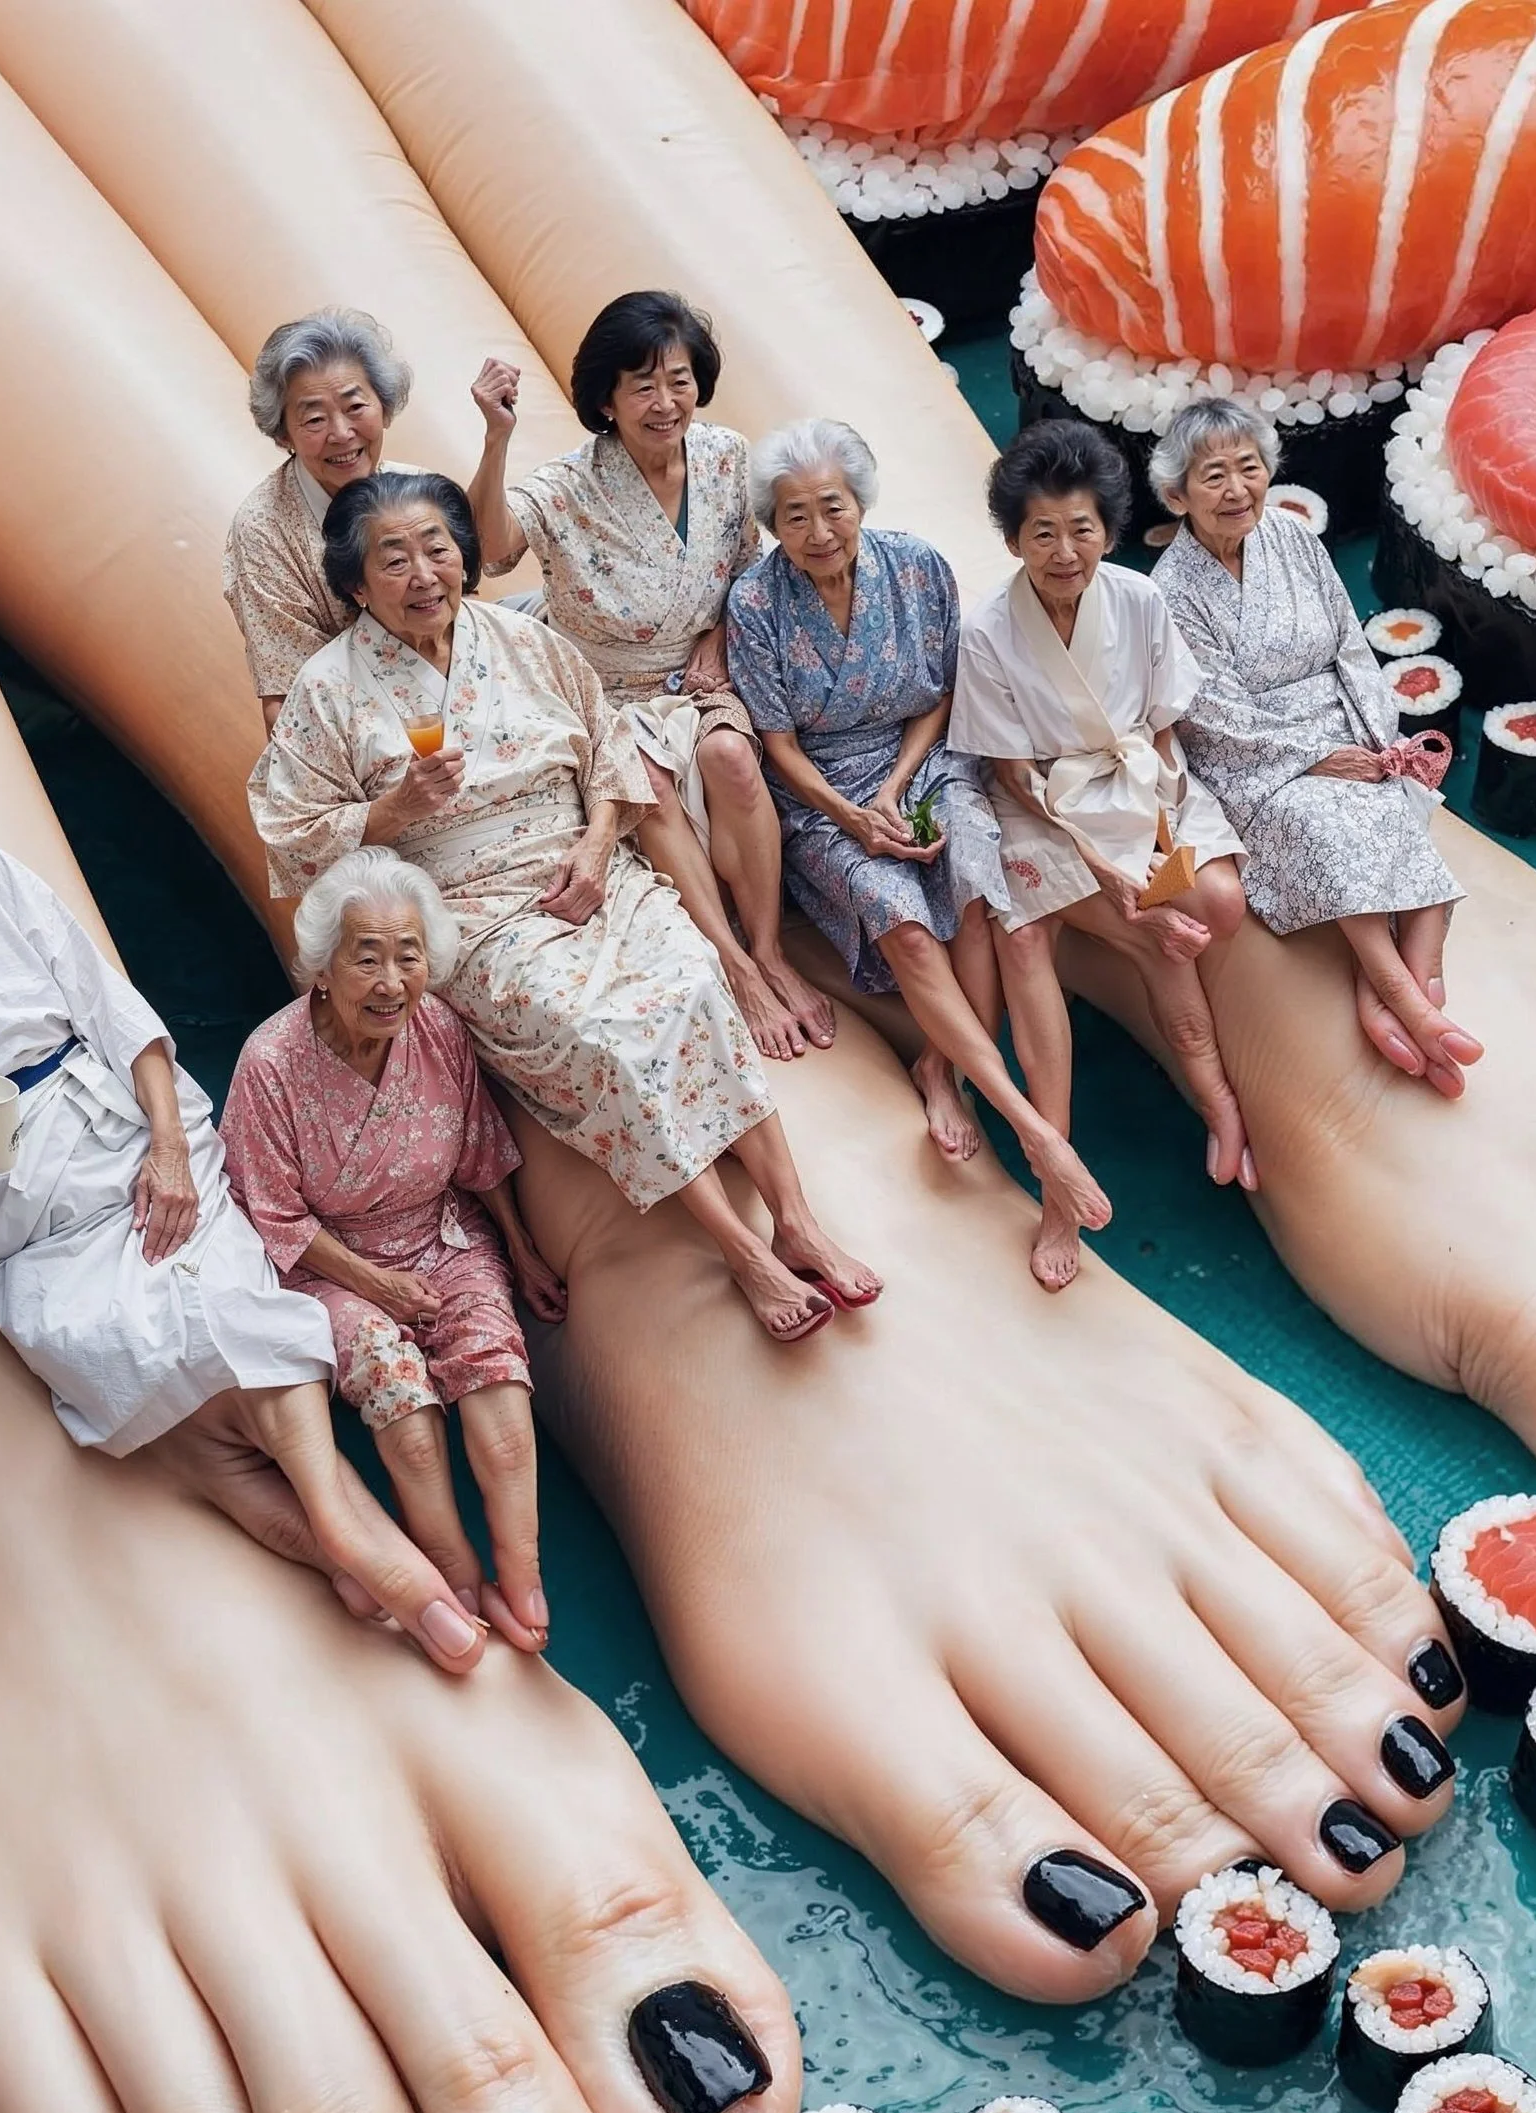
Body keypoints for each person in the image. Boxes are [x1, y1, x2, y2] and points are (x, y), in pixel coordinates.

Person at [0, 715, 493, 1670]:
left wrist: (169, 1150)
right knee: (114, 1343)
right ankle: (357, 1549)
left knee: (226, 1303)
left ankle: (345, 1535)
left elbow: (115, 1012)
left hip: (117, 1144)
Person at [251, 468, 877, 1341]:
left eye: (437, 548)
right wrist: (392, 811)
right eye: (393, 560)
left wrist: (597, 843)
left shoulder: (521, 640)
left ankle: (797, 1220)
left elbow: (608, 747)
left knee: (694, 979)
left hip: (585, 864)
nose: (423, 573)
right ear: (357, 586)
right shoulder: (327, 688)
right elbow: (290, 835)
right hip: (467, 907)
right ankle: (743, 1251)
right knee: (601, 1033)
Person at [726, 417, 1115, 1272]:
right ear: (773, 524)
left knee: (982, 898)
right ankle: (1036, 1133)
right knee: (904, 923)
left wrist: (896, 788)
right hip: (823, 797)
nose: (818, 531)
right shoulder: (754, 604)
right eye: (795, 515)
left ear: (860, 503)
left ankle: (943, 1069)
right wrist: (854, 814)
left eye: (832, 507)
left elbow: (941, 696)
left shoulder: (918, 565)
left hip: (925, 761)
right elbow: (778, 746)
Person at [478, 289, 837, 1062]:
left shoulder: (726, 456)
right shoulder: (570, 484)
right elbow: (494, 552)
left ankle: (770, 948)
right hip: (605, 685)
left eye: (679, 380)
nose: (666, 402)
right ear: (606, 401)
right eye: (643, 385)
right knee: (647, 781)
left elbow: (750, 568)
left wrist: (719, 634)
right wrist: (497, 438)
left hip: (700, 674)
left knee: (732, 757)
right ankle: (736, 968)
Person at [222, 849, 565, 1651]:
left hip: (443, 1237)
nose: (390, 981)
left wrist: (520, 1252)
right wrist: (377, 1285)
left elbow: (478, 1151)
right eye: (366, 957)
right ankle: (452, 1571)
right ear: (323, 967)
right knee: (402, 1404)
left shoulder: (436, 1027)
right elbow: (275, 1218)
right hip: (331, 1265)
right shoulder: (270, 1064)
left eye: (408, 956)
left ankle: (524, 1579)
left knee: (499, 1393)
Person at [950, 418, 1254, 1289]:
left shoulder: (1139, 601)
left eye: (1080, 529)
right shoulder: (989, 631)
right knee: (1023, 938)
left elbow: (1160, 731)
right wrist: (1102, 866)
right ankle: (1059, 1179)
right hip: (1045, 807)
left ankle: (1217, 1099)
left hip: (1138, 786)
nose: (1063, 551)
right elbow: (1010, 774)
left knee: (1216, 905)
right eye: (1041, 532)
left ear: (1109, 530)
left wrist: (1158, 834)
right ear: (1014, 539)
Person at [1150, 398, 1480, 1099]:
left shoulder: (1294, 538)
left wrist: (1375, 741)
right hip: (1255, 756)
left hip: (1346, 721)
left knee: (1395, 799)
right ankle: (1404, 993)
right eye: (1214, 476)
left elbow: (1350, 645)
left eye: (1249, 467)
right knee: (1322, 821)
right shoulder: (1170, 590)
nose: (1237, 489)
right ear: (1178, 495)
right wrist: (1314, 758)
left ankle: (1410, 994)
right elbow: (1209, 710)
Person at [222, 307, 526, 730]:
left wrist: (496, 437)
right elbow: (286, 698)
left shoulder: (411, 487)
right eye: (314, 419)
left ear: (384, 407)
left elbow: (488, 555)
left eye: (355, 406)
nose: (341, 433)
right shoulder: (263, 529)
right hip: (362, 719)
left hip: (462, 682)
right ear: (283, 434)